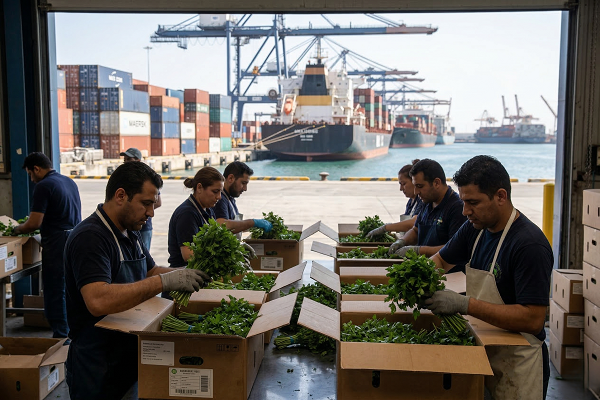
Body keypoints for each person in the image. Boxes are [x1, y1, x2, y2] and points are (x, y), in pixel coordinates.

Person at [64, 161, 211, 400]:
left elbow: (150, 271)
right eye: (146, 203)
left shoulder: (130, 232)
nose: (151, 213)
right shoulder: (91, 237)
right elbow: (98, 300)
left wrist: (193, 272)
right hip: (97, 364)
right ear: (121, 196)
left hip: (126, 353)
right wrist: (164, 282)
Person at [424, 155, 552, 400]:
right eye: (463, 202)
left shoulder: (529, 245)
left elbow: (533, 319)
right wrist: (421, 280)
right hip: (484, 352)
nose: (465, 211)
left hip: (518, 364)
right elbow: (441, 260)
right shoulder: (475, 229)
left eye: (473, 202)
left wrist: (464, 304)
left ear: (501, 196)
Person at [12, 152, 81, 338]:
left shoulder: (44, 186)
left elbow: (34, 223)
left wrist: (16, 229)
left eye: (30, 174)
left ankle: (61, 336)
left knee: (55, 289)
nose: (31, 179)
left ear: (36, 169)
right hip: (75, 238)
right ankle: (71, 333)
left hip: (58, 242)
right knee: (69, 288)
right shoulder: (69, 181)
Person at [167, 166, 269, 269]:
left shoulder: (208, 210)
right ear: (199, 188)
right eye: (215, 192)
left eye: (220, 192)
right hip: (185, 272)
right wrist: (225, 255)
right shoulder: (187, 213)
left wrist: (234, 248)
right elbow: (189, 255)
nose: (219, 197)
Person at [388, 159, 467, 266]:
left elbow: (454, 249)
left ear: (436, 183)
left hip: (445, 273)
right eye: (415, 186)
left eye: (420, 186)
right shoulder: (427, 202)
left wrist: (419, 250)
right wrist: (402, 241)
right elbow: (415, 230)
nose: (416, 192)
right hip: (423, 267)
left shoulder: (457, 208)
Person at [366, 159, 424, 239]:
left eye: (403, 184)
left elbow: (413, 223)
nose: (401, 189)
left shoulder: (422, 200)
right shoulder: (411, 202)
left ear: (414, 181)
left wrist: (386, 228)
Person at [212, 161, 272, 237]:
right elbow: (222, 224)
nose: (245, 188)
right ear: (230, 178)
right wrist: (252, 222)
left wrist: (255, 226)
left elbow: (236, 225)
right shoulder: (220, 200)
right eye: (243, 183)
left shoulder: (230, 199)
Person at [120, 147, 161, 250]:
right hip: (128, 225)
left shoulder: (147, 180)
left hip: (144, 227)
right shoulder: (123, 180)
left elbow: (158, 202)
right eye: (125, 160)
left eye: (129, 159)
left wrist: (141, 210)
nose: (126, 163)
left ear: (138, 160)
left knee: (143, 255)